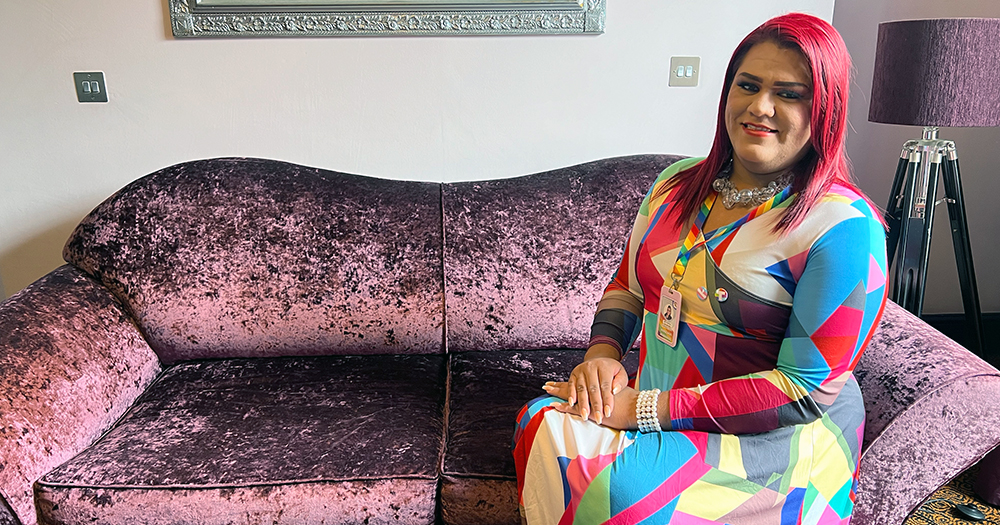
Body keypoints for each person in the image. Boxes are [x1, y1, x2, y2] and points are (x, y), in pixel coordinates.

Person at [512, 12, 887, 524]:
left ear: (825, 109)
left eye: (790, 93)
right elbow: (626, 286)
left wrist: (642, 411)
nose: (760, 107)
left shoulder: (843, 227)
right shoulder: (674, 185)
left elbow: (804, 392)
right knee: (540, 424)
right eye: (747, 86)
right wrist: (602, 357)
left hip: (767, 440)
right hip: (655, 399)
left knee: (616, 488)